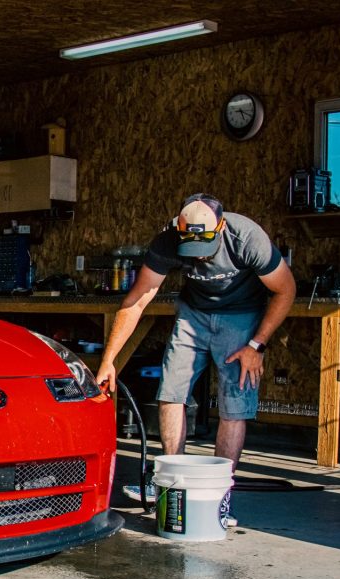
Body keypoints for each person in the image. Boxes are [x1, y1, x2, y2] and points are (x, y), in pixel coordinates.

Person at [95, 193, 296, 522]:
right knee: (171, 393)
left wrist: (256, 346)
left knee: (234, 404)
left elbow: (285, 290)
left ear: (220, 226)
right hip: (193, 314)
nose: (199, 259)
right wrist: (109, 359)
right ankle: (174, 482)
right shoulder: (168, 241)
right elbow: (137, 299)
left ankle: (218, 498)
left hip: (242, 315)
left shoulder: (247, 238)